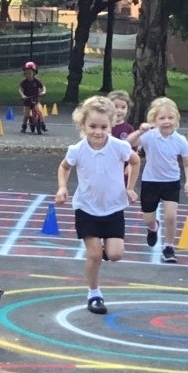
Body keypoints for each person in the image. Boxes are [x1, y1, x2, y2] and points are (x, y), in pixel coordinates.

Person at [56, 95, 140, 316]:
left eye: (104, 127)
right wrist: (62, 187)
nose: (98, 132)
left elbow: (135, 161)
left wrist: (130, 187)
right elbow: (64, 167)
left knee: (115, 255)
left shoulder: (119, 146)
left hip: (113, 209)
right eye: (92, 126)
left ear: (111, 126)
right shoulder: (77, 149)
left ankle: (102, 252)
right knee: (94, 254)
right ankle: (94, 294)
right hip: (86, 209)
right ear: (82, 125)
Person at [134, 96, 188, 263]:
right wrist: (140, 131)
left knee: (171, 216)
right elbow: (127, 144)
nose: (166, 121)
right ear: (154, 120)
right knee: (148, 218)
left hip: (171, 182)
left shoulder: (180, 140)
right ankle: (153, 228)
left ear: (176, 119)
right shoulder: (149, 137)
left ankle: (168, 247)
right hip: (150, 182)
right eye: (162, 118)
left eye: (170, 117)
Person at [19, 62, 48, 133]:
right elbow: (20, 89)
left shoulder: (36, 81)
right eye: (26, 73)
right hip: (27, 100)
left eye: (29, 73)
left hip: (35, 99)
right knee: (27, 115)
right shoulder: (24, 82)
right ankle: (24, 126)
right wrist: (22, 95)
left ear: (34, 73)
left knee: (40, 111)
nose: (28, 75)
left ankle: (42, 124)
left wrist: (43, 92)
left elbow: (43, 87)